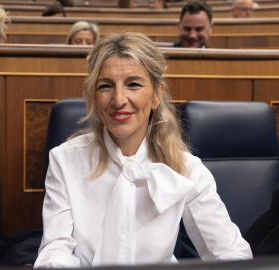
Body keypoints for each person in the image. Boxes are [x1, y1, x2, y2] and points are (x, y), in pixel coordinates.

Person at [33, 32, 252, 268]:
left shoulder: (187, 169)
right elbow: (56, 247)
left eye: (133, 84)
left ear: (157, 94)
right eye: (105, 86)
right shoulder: (64, 159)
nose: (119, 99)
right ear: (94, 98)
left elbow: (229, 252)